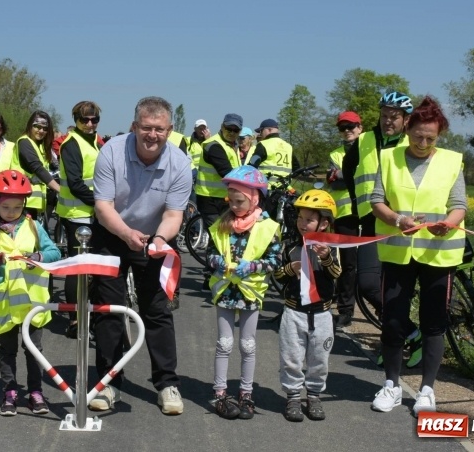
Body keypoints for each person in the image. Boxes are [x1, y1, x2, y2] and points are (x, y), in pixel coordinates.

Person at [88, 96, 191, 415]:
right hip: (112, 231)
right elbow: (103, 206)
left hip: (155, 235)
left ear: (170, 130)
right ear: (134, 127)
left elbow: (174, 215)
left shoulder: (180, 163)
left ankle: (167, 383)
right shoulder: (111, 152)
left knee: (157, 309)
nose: (152, 135)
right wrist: (126, 234)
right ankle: (107, 383)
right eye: (146, 127)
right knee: (109, 310)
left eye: (160, 129)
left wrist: (159, 239)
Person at [369, 96, 466, 415]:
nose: (423, 143)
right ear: (407, 129)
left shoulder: (453, 161)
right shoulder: (388, 157)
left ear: (439, 135)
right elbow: (377, 201)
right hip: (399, 254)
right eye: (417, 136)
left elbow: (459, 205)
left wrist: (449, 224)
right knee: (394, 320)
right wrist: (398, 220)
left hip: (439, 255)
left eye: (431, 138)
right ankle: (392, 386)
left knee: (433, 323)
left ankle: (426, 390)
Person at [343, 92, 421, 367]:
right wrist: (357, 202)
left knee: (395, 288)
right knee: (367, 284)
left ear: (406, 119)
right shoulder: (364, 140)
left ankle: (395, 340)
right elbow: (348, 167)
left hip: (403, 222)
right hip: (369, 218)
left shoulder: (412, 142)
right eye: (384, 116)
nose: (388, 121)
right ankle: (412, 331)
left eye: (395, 117)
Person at [0, 169, 61, 416]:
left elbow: (54, 253)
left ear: (24, 205)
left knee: (33, 349)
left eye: (17, 207)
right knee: (7, 350)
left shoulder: (34, 227)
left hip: (31, 303)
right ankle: (10, 392)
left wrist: (37, 257)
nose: (11, 212)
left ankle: (35, 392)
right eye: (6, 208)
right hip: (4, 305)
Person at [206, 166, 282, 420]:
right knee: (224, 343)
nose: (235, 206)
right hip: (226, 289)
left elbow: (274, 261)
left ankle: (246, 393)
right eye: (231, 200)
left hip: (250, 292)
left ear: (254, 198)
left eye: (240, 201)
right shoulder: (222, 224)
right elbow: (209, 255)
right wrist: (218, 262)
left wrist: (252, 266)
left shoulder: (268, 227)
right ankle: (220, 393)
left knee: (248, 345)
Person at [274, 189, 342, 422]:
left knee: (319, 359)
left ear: (323, 223)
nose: (303, 224)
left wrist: (326, 258)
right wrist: (289, 269)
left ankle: (313, 396)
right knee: (291, 357)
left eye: (309, 220)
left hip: (322, 314)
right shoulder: (290, 246)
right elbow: (278, 276)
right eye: (300, 218)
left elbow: (336, 274)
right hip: (294, 311)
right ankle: (292, 396)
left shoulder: (331, 247)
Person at [57, 101, 101, 338]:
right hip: (76, 215)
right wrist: (101, 201)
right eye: (85, 119)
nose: (90, 123)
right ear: (75, 120)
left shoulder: (93, 141)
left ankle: (87, 311)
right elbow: (75, 184)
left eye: (94, 119)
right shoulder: (71, 145)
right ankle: (74, 321)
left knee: (88, 266)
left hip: (90, 212)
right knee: (76, 267)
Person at [327, 111, 363, 328]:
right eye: (343, 127)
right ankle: (346, 310)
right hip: (345, 214)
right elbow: (334, 182)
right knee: (347, 265)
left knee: (373, 265)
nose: (347, 131)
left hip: (370, 211)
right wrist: (351, 175)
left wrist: (344, 174)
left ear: (360, 127)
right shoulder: (335, 153)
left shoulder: (371, 149)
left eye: (351, 126)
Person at [196, 113, 242, 232]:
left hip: (225, 197)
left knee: (227, 233)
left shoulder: (233, 145)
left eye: (235, 130)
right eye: (228, 129)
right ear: (222, 126)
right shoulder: (213, 145)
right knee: (217, 234)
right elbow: (226, 171)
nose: (231, 133)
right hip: (209, 198)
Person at [10, 111, 60, 221]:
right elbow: (37, 168)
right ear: (30, 126)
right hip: (24, 201)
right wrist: (59, 189)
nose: (41, 131)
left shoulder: (41, 146)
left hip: (36, 202)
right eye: (37, 126)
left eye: (45, 128)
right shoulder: (24, 142)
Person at [249, 118, 299, 187]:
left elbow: (251, 165)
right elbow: (297, 169)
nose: (260, 134)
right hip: (284, 189)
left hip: (266, 188)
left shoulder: (263, 144)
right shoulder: (288, 146)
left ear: (269, 130)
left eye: (261, 131)